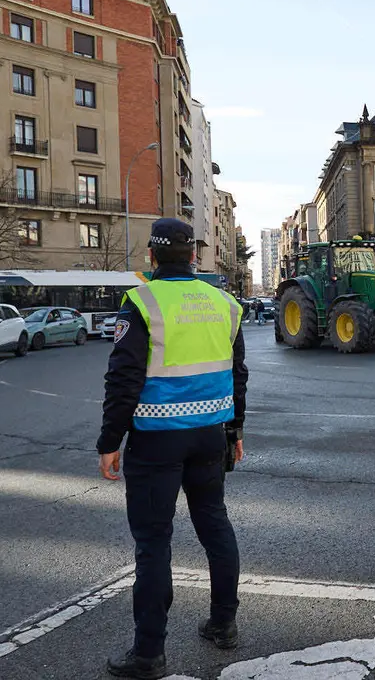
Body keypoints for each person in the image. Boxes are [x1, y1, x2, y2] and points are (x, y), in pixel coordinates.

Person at [97, 218, 248, 679]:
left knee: (153, 541)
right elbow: (238, 373)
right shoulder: (225, 302)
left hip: (157, 439)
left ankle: (149, 653)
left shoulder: (141, 301)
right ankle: (223, 624)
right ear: (194, 257)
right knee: (215, 526)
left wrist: (109, 441)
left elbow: (124, 379)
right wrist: (235, 429)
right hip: (210, 434)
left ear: (152, 257)